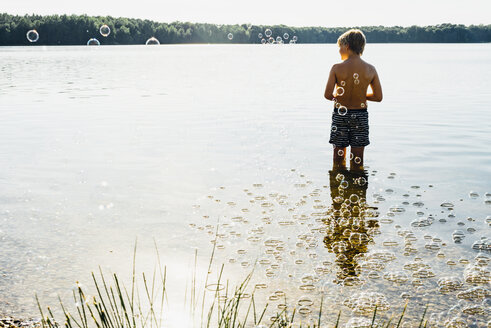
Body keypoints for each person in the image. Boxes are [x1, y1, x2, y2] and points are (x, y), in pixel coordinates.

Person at [324, 29, 383, 169]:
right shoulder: (370, 69)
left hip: (340, 115)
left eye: (340, 47)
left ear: (347, 46)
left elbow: (327, 95)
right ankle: (357, 187)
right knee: (358, 158)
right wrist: (361, 95)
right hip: (360, 116)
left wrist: (339, 96)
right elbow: (378, 97)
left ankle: (337, 185)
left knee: (338, 158)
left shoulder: (336, 68)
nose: (339, 50)